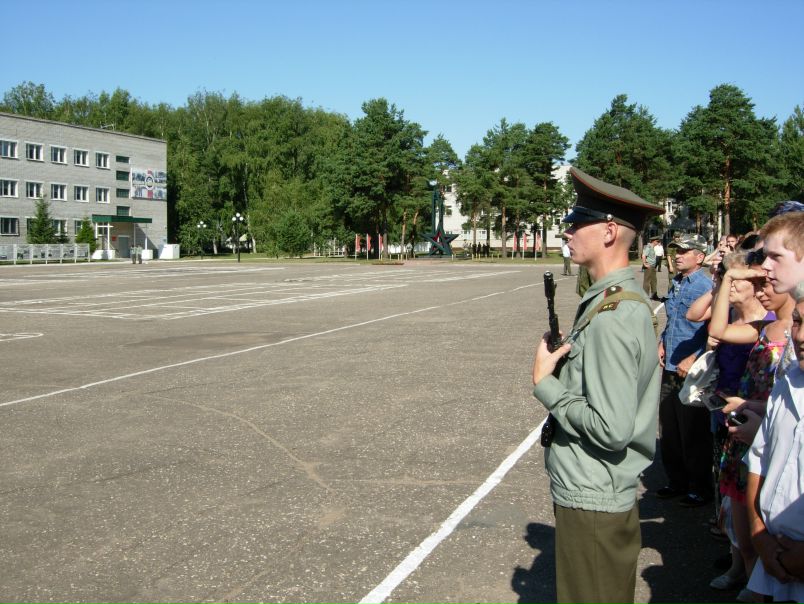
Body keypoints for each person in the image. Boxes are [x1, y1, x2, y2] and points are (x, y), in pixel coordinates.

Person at [531, 167, 664, 604]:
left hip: (593, 498)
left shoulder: (612, 317)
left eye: (577, 221)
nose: (567, 231)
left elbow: (610, 428)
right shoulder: (616, 304)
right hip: (597, 492)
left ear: (609, 231)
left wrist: (545, 384)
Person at [744, 281, 804, 603]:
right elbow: (758, 460)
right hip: (770, 563)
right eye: (798, 321)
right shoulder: (786, 384)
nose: (801, 335)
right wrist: (757, 533)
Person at [656, 233, 715, 507]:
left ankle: (699, 487)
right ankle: (677, 481)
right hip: (670, 366)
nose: (677, 255)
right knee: (669, 427)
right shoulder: (677, 283)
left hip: (692, 370)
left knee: (693, 431)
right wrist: (661, 342)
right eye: (676, 251)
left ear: (699, 257)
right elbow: (674, 320)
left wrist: (695, 356)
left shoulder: (706, 286)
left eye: (684, 251)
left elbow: (713, 332)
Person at [642, 235, 659, 300]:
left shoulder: (652, 247)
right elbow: (643, 255)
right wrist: (645, 264)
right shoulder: (648, 246)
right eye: (657, 241)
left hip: (653, 266)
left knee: (654, 281)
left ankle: (654, 295)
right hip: (649, 267)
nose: (658, 243)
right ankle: (645, 296)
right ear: (654, 241)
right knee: (647, 282)